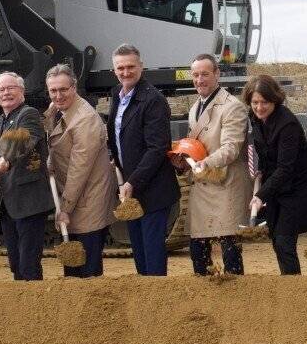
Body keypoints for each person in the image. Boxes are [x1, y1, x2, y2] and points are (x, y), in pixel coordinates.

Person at [182, 53, 252, 276]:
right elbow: (195, 145)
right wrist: (182, 156)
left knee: (230, 250)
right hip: (203, 185)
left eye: (204, 74)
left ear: (217, 74)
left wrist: (203, 163)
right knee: (198, 251)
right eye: (195, 75)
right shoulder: (195, 108)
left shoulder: (232, 107)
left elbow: (231, 148)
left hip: (226, 186)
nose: (199, 80)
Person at [0, 72, 55, 281]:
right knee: (15, 264)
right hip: (9, 203)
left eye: (10, 88)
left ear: (21, 91)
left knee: (28, 264)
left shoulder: (28, 114)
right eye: (0, 90)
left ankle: (35, 308)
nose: (6, 93)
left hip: (30, 202)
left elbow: (25, 142)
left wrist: (7, 162)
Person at [108, 44, 174, 276]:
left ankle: (157, 299)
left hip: (153, 190)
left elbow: (158, 148)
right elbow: (116, 135)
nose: (126, 72)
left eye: (130, 67)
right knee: (139, 251)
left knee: (152, 252)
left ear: (141, 66)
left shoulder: (153, 100)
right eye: (120, 68)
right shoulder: (117, 94)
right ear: (114, 69)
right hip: (131, 189)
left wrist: (132, 181)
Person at [44, 63, 116, 278]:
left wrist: (64, 208)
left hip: (87, 201)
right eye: (53, 91)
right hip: (75, 199)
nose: (58, 95)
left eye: (63, 89)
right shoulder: (59, 111)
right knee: (74, 270)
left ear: (74, 87)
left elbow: (79, 170)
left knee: (87, 269)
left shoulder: (85, 119)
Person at [246, 75, 307, 275]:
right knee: (276, 239)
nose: (259, 107)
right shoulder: (256, 119)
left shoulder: (287, 124)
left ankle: (293, 288)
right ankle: (288, 281)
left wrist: (261, 195)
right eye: (255, 102)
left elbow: (286, 168)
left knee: (284, 240)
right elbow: (263, 150)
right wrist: (260, 169)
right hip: (277, 186)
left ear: (274, 101)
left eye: (264, 102)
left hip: (298, 188)